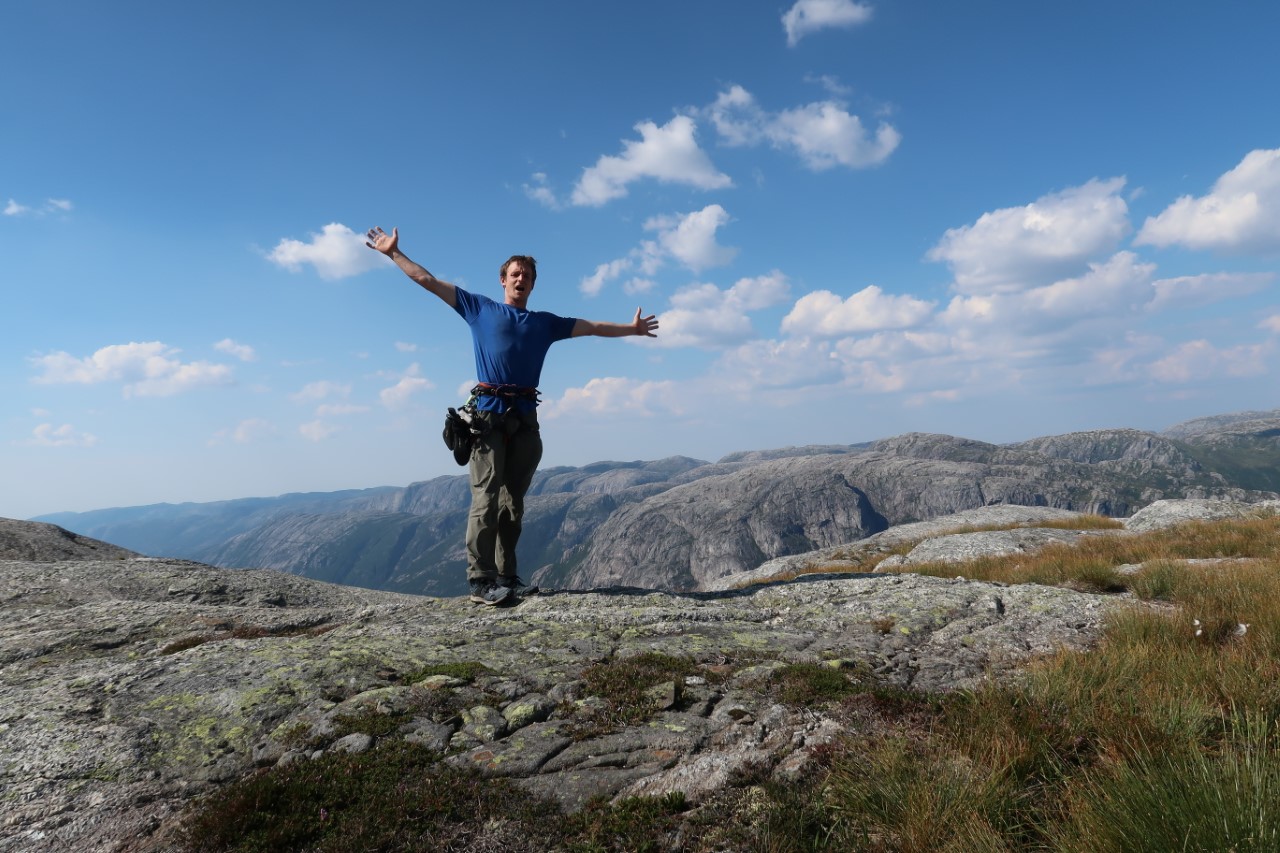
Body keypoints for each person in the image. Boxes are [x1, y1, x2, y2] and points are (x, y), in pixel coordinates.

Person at [365, 226, 659, 605]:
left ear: (532, 285)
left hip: (525, 420)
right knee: (486, 500)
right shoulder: (479, 308)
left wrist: (632, 330)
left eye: (528, 276)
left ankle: (507, 577)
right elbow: (428, 280)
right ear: (503, 280)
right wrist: (393, 254)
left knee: (512, 505)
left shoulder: (544, 323)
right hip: (488, 418)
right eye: (516, 274)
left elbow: (593, 327)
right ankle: (480, 581)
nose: (521, 279)